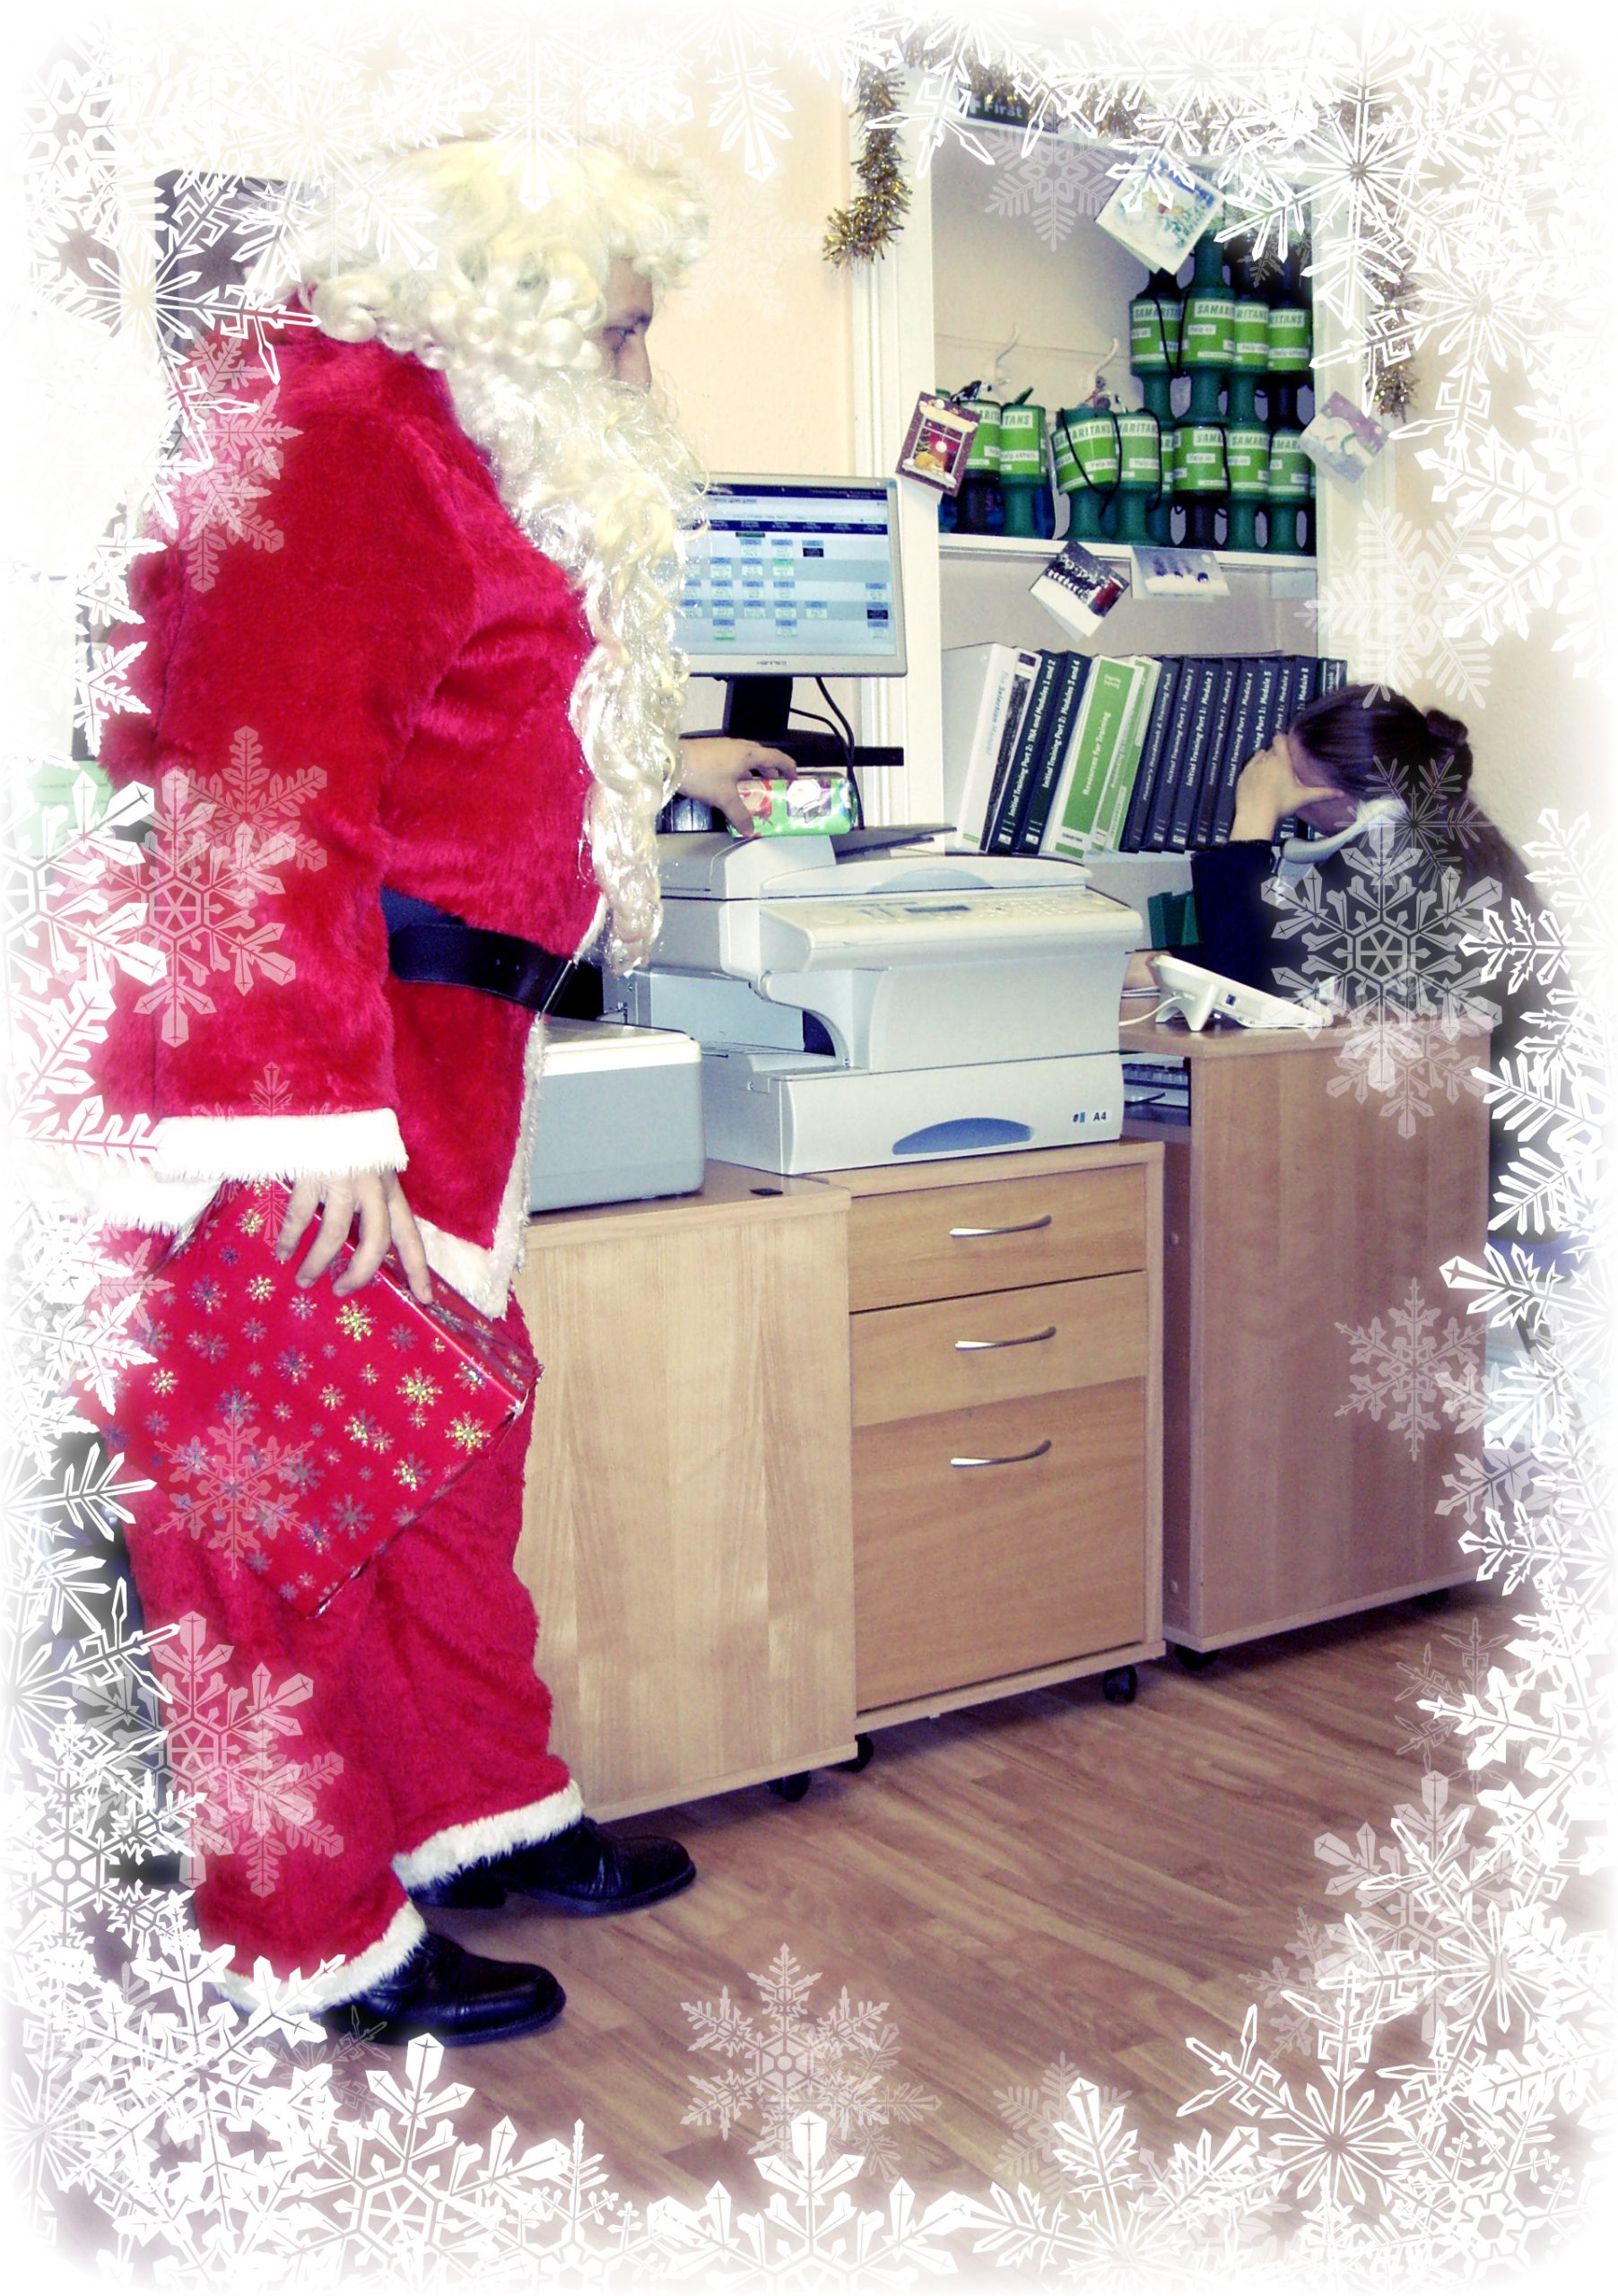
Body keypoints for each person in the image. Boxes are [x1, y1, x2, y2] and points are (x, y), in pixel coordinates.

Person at [91, 139, 772, 2048]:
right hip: (308, 1069)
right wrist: (305, 1115)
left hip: (436, 1060)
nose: (643, 368)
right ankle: (301, 1920)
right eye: (620, 329)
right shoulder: (339, 425)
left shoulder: (453, 441)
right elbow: (247, 776)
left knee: (441, 1466)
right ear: (514, 301)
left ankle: (474, 1802)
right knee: (266, 1515)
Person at [1183, 682, 1537, 1222]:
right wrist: (1186, 963)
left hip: (1482, 1210)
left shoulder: (1391, 866)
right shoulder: (1437, 844)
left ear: (1345, 806)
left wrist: (1252, 817)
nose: (1269, 776)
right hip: (1476, 1177)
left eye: (1289, 778)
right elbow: (1303, 961)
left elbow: (1255, 995)